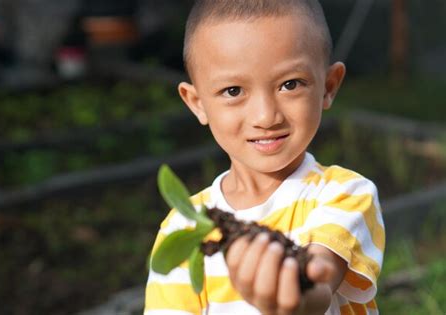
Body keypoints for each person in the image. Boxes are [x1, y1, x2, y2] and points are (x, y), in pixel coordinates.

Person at [144, 0, 385, 314]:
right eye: (233, 91)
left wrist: (299, 297)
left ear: (328, 86)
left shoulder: (345, 194)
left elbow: (319, 281)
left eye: (290, 84)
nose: (266, 116)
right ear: (197, 103)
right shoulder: (183, 230)